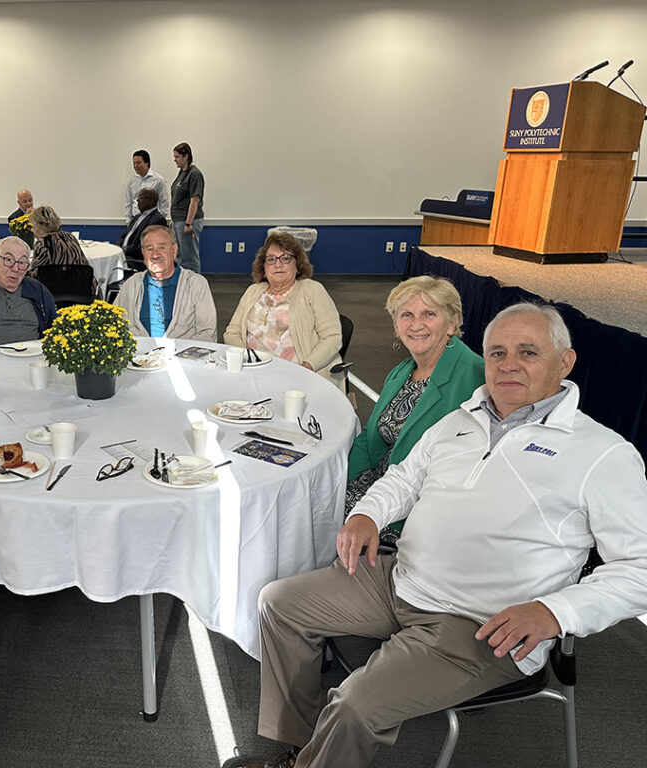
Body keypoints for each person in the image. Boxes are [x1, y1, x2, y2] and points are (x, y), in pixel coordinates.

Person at [244, 303, 647, 768]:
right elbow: (403, 477)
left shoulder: (602, 453)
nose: (508, 364)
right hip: (400, 579)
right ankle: (300, 745)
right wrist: (369, 515)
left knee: (356, 704)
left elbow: (638, 569)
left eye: (528, 352)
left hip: (480, 625)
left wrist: (555, 611)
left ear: (566, 362)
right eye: (496, 353)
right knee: (278, 602)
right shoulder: (463, 418)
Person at [345, 276, 484, 545]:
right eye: (406, 315)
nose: (416, 324)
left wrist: (366, 507)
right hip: (378, 490)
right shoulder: (403, 371)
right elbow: (369, 437)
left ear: (452, 323)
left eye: (429, 314)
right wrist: (344, 483)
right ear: (396, 326)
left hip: (417, 509)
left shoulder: (474, 378)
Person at [224, 232, 343, 388]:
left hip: (300, 376)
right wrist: (246, 358)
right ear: (263, 267)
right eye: (271, 259)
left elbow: (332, 337)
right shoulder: (253, 291)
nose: (278, 264)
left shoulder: (312, 290)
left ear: (297, 264)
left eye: (286, 258)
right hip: (254, 373)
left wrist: (307, 366)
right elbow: (232, 332)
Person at [114, 225, 216, 342]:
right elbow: (114, 322)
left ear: (174, 250)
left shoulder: (196, 284)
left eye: (162, 248)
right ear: (143, 253)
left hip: (181, 357)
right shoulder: (132, 284)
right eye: (149, 248)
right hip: (138, 356)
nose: (155, 255)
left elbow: (208, 333)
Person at [27, 206, 95, 294]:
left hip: (54, 294)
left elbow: (35, 275)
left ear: (41, 227)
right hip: (80, 292)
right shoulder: (70, 237)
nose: (32, 230)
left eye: (34, 227)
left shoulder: (43, 244)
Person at [170, 142, 204, 272]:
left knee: (189, 256)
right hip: (179, 220)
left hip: (188, 221)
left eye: (177, 157)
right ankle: (182, 284)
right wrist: (173, 220)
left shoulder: (194, 174)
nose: (175, 160)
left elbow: (194, 201)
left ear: (186, 156)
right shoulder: (182, 173)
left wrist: (188, 223)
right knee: (180, 255)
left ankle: (195, 287)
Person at [118, 188, 167, 262]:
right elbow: (124, 236)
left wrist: (126, 250)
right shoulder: (137, 217)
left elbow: (148, 246)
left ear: (151, 201)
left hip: (135, 259)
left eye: (141, 198)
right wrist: (118, 246)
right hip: (123, 254)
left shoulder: (157, 220)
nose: (137, 200)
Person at [124, 149, 169, 222]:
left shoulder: (158, 180)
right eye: (134, 163)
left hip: (152, 221)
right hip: (135, 220)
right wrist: (128, 220)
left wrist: (158, 220)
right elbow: (129, 203)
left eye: (138, 163)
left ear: (147, 163)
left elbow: (164, 203)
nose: (135, 166)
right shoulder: (132, 181)